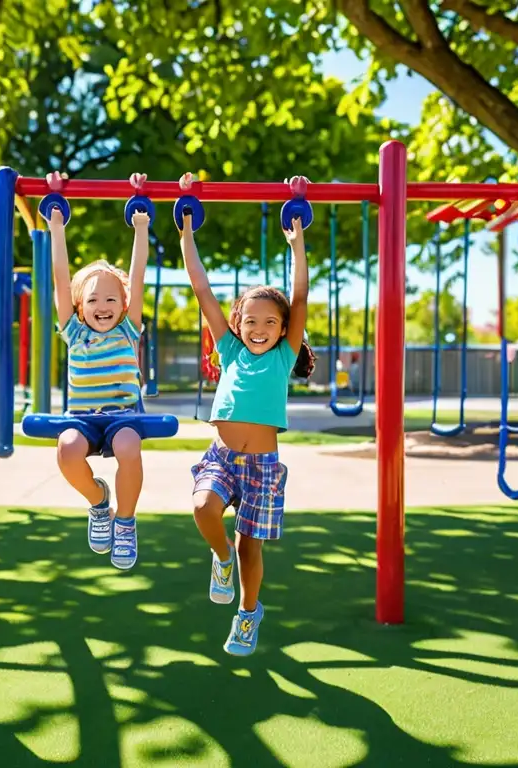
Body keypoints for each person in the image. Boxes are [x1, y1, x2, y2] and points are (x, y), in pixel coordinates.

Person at [180, 172, 316, 656]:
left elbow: (299, 297)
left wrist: (296, 243)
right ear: (237, 324)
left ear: (283, 330)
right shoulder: (231, 351)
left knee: (250, 548)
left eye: (270, 322)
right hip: (220, 456)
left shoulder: (282, 355)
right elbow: (201, 289)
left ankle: (247, 612)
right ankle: (218, 559)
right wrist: (186, 232)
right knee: (202, 508)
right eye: (250, 321)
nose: (259, 328)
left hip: (261, 467)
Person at [45, 171, 149, 570]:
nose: (102, 305)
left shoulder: (127, 328)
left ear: (123, 305)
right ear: (78, 305)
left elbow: (136, 279)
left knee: (127, 446)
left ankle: (125, 521)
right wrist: (57, 227)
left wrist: (140, 227)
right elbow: (59, 277)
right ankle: (98, 501)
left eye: (111, 298)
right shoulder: (73, 332)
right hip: (84, 419)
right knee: (67, 449)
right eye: (93, 299)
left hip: (123, 417)